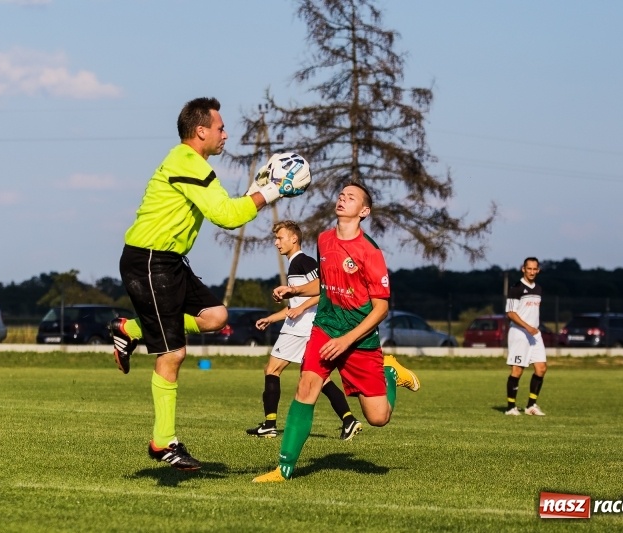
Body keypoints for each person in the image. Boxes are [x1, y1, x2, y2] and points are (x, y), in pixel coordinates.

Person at [109, 97, 308, 471]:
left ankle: (129, 329)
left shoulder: (193, 165)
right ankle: (162, 442)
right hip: (150, 260)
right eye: (220, 128)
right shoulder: (188, 163)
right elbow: (226, 216)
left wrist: (259, 189)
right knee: (173, 355)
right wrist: (272, 191)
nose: (225, 134)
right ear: (201, 131)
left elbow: (228, 208)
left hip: (168, 261)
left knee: (216, 316)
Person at [252, 182, 420, 483]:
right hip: (325, 327)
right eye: (341, 194)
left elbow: (380, 308)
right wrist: (294, 289)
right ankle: (284, 468)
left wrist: (347, 340)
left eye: (351, 197)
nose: (343, 198)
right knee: (306, 386)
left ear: (364, 211)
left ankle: (389, 372)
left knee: (378, 418)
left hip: (359, 336)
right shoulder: (325, 239)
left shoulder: (370, 252)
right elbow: (326, 283)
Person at [247, 220, 362, 441]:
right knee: (317, 377)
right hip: (307, 327)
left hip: (300, 329)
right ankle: (349, 420)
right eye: (276, 238)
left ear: (294, 239)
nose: (276, 242)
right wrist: (272, 318)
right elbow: (297, 304)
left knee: (272, 369)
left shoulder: (303, 261)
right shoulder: (295, 265)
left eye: (280, 238)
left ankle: (269, 424)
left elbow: (324, 290)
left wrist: (300, 306)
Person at [504, 257, 547, 416]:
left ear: (538, 270)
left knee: (541, 368)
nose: (532, 272)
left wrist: (533, 327)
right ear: (523, 269)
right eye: (529, 268)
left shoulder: (538, 289)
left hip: (534, 334)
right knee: (517, 371)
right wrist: (527, 326)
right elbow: (510, 313)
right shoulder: (516, 288)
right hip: (519, 333)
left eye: (535, 269)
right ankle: (510, 407)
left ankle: (531, 406)